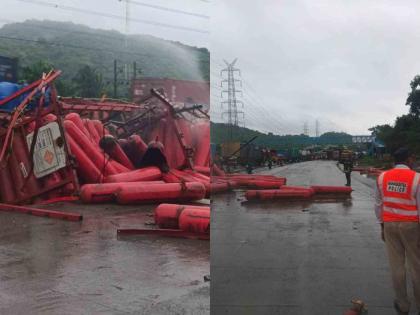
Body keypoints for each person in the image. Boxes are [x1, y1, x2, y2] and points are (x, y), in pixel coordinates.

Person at [375, 147, 420, 315]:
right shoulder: (417, 178)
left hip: (390, 225)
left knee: (396, 266)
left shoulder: (382, 177)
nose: (414, 160)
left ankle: (403, 305)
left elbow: (378, 205)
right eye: (413, 158)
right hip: (412, 226)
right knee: (417, 265)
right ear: (408, 159)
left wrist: (382, 226)